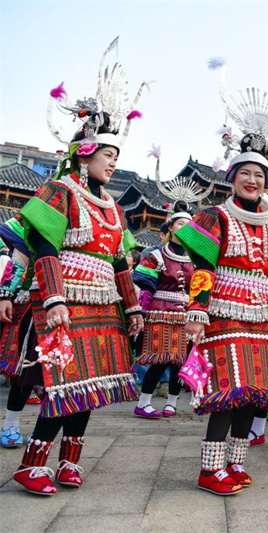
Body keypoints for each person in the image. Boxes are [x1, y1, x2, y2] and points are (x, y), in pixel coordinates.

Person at [177, 65, 268, 495]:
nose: (253, 180)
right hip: (225, 311)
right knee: (229, 389)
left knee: (256, 392)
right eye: (245, 173)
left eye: (260, 175)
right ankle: (209, 468)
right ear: (232, 177)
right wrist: (197, 311)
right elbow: (202, 267)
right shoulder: (216, 216)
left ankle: (236, 463)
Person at [12, 38, 147, 495]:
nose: (114, 162)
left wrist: (133, 310)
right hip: (65, 300)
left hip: (104, 303)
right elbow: (44, 247)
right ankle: (33, 463)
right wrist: (52, 299)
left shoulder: (113, 207)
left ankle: (70, 460)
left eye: (116, 157)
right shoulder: (61, 190)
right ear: (85, 152)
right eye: (109, 155)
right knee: (60, 382)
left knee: (89, 386)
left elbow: (122, 262)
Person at [131, 201, 195, 418]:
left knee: (180, 362)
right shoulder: (156, 255)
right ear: (171, 227)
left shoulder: (197, 259)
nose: (184, 227)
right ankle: (143, 402)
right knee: (159, 360)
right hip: (160, 313)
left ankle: (172, 403)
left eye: (188, 224)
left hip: (186, 315)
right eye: (180, 223)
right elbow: (143, 284)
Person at [0, 218, 35, 448]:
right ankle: (10, 424)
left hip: (73, 302)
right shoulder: (40, 212)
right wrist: (5, 295)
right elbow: (20, 258)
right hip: (32, 299)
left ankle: (45, 429)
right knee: (26, 366)